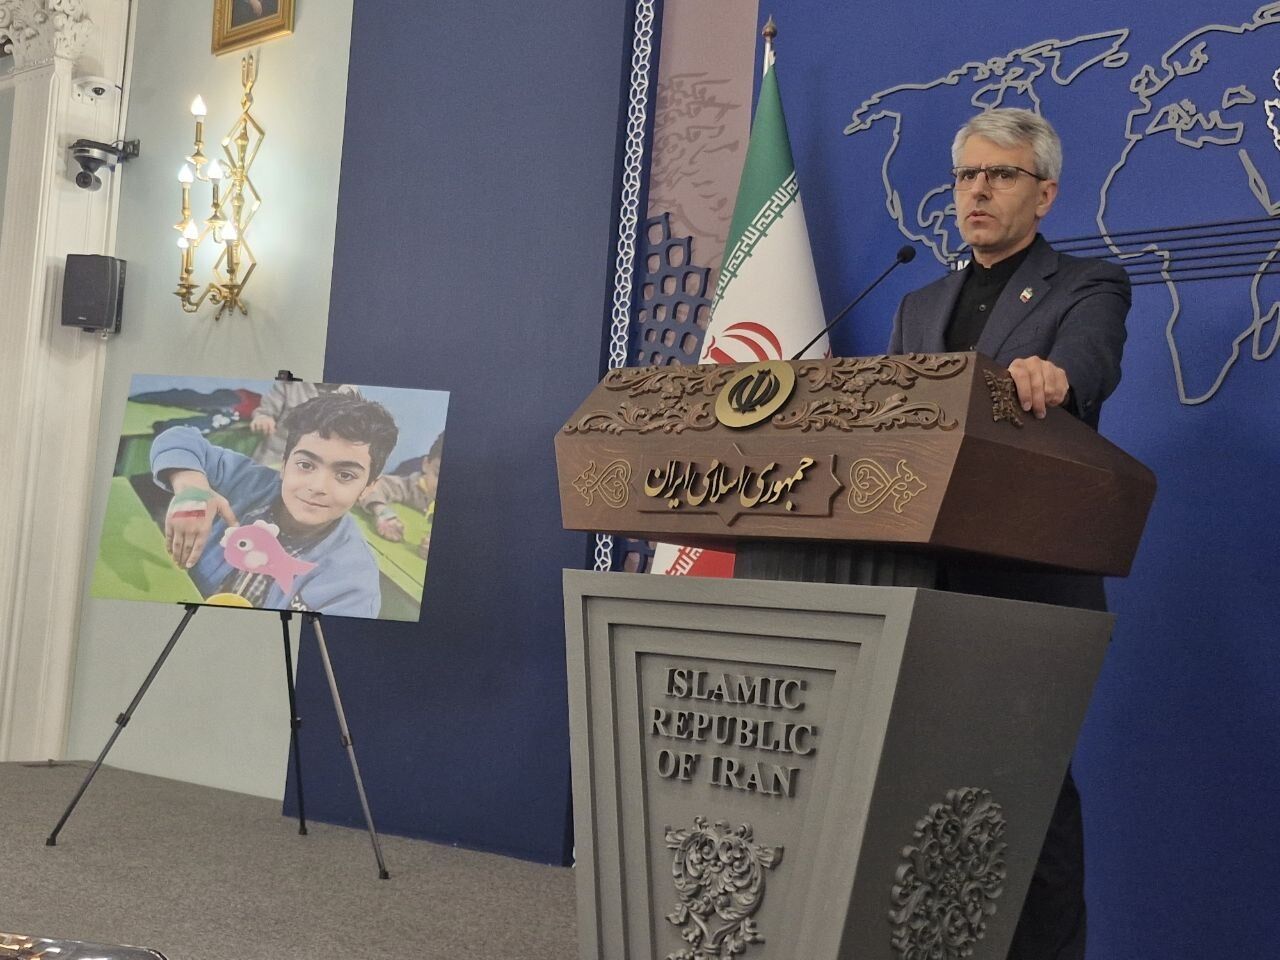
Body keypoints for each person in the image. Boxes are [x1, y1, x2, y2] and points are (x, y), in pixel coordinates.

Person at [889, 108, 1131, 960]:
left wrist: (1056, 376)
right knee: (931, 795)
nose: (977, 191)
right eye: (965, 176)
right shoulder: (919, 303)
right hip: (923, 582)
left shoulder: (1087, 285)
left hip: (1029, 584)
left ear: (1046, 193)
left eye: (999, 175)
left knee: (1032, 795)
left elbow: (1091, 363)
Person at [151, 391, 399, 618]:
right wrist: (192, 489)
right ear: (284, 464)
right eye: (305, 465)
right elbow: (177, 437)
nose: (317, 486)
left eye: (345, 475)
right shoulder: (249, 482)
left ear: (367, 488)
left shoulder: (354, 584)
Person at [359, 433, 442, 560]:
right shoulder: (413, 487)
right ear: (426, 464)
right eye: (437, 474)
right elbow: (371, 485)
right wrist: (382, 511)